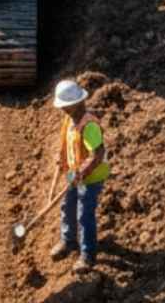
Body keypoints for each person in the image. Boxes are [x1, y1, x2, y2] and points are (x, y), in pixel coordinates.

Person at [47, 78, 110, 273]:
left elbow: (98, 154)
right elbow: (66, 144)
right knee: (67, 206)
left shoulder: (89, 126)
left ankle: (87, 255)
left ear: (78, 102)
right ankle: (68, 241)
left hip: (91, 177)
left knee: (84, 214)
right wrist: (61, 162)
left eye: (66, 106)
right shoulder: (68, 119)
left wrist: (82, 173)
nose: (63, 109)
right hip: (73, 173)